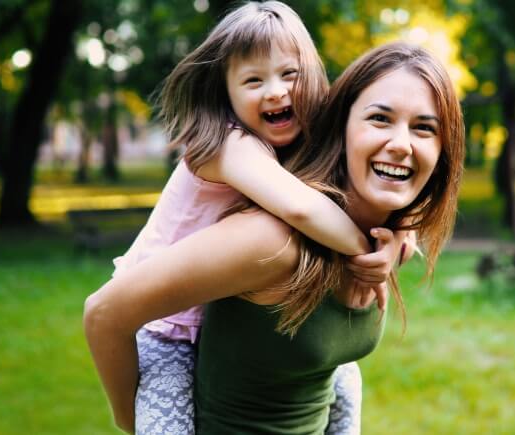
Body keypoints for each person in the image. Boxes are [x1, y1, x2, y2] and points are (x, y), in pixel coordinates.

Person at [84, 41, 464, 434]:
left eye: (424, 128)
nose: (401, 144)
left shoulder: (386, 238)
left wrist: (397, 237)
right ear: (341, 125)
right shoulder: (274, 242)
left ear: (442, 152)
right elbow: (104, 313)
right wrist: (129, 418)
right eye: (380, 119)